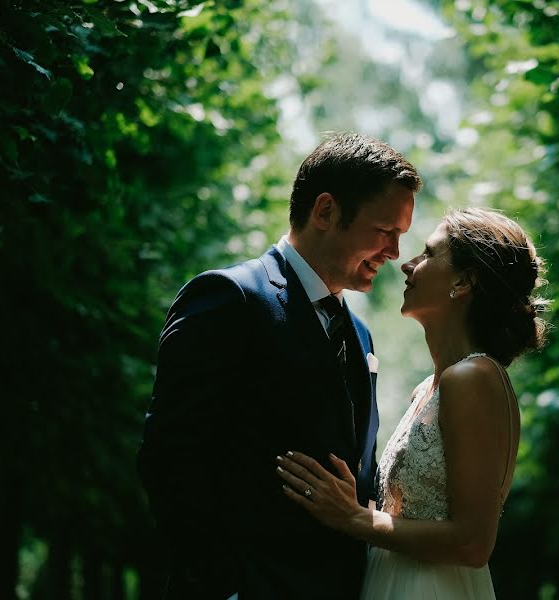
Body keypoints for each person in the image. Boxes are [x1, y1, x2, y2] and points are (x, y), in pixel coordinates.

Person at [137, 132, 422, 599]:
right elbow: (170, 456)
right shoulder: (229, 299)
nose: (393, 253)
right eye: (384, 231)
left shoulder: (362, 335)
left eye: (400, 237)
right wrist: (221, 585)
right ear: (326, 211)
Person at [276, 207, 547, 599]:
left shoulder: (472, 379)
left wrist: (354, 517)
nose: (407, 265)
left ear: (464, 281)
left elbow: (473, 543)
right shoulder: (432, 387)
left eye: (428, 254)